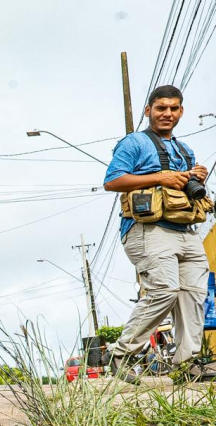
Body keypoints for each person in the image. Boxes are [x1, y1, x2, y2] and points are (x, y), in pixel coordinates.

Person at [103, 85, 211, 384]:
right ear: (148, 110)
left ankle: (186, 365)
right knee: (164, 289)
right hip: (148, 229)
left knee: (193, 295)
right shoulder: (134, 143)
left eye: (174, 108)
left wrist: (194, 175)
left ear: (181, 112)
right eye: (161, 107)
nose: (167, 113)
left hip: (185, 230)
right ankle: (121, 354)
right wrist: (161, 177)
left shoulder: (184, 149)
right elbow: (112, 181)